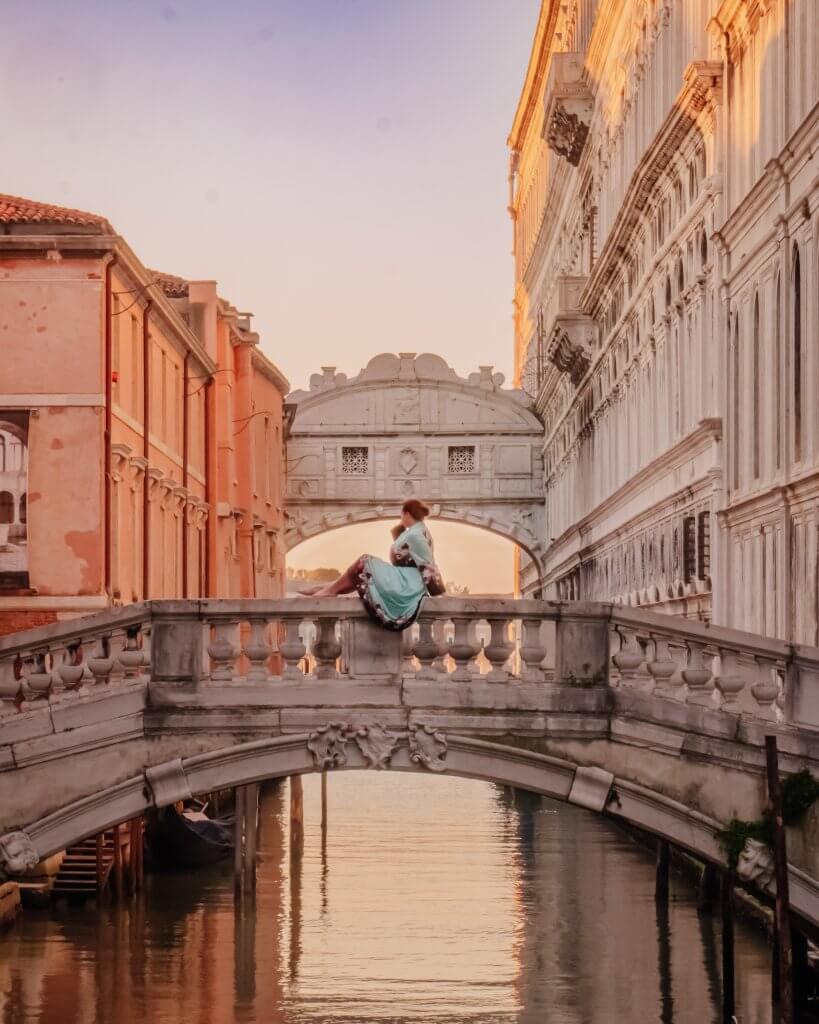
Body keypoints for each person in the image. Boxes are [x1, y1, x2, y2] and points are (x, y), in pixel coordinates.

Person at [302, 499, 445, 630]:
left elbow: (428, 564)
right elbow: (406, 553)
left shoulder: (415, 534)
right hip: (403, 577)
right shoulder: (415, 531)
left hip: (408, 583)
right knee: (365, 567)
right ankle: (330, 588)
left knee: (364, 562)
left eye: (401, 515)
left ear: (407, 513)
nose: (400, 519)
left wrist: (440, 592)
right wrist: (400, 530)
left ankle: (330, 590)